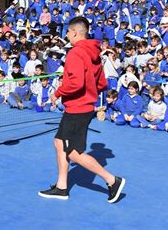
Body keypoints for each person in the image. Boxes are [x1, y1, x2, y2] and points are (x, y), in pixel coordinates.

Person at [38, 16, 125, 204]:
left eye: (68, 31)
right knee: (59, 142)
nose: (66, 34)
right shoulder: (94, 53)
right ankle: (62, 186)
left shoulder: (76, 53)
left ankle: (112, 180)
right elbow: (101, 83)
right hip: (82, 106)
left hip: (78, 108)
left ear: (75, 32)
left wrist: (57, 93)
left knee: (73, 153)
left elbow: (76, 83)